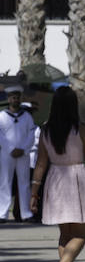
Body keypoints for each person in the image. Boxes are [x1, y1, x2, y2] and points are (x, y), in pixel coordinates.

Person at [28, 86, 85, 262]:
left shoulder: (46, 129)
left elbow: (41, 164)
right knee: (80, 234)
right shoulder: (81, 128)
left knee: (65, 234)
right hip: (76, 178)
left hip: (55, 179)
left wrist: (34, 193)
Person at [1, 85, 37, 221]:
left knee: (24, 183)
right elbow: (0, 135)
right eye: (12, 98)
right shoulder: (2, 116)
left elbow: (32, 134)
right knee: (5, 182)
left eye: (17, 98)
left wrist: (23, 148)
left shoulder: (27, 116)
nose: (15, 100)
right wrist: (11, 149)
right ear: (8, 99)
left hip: (23, 154)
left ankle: (26, 213)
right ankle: (2, 213)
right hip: (6, 155)